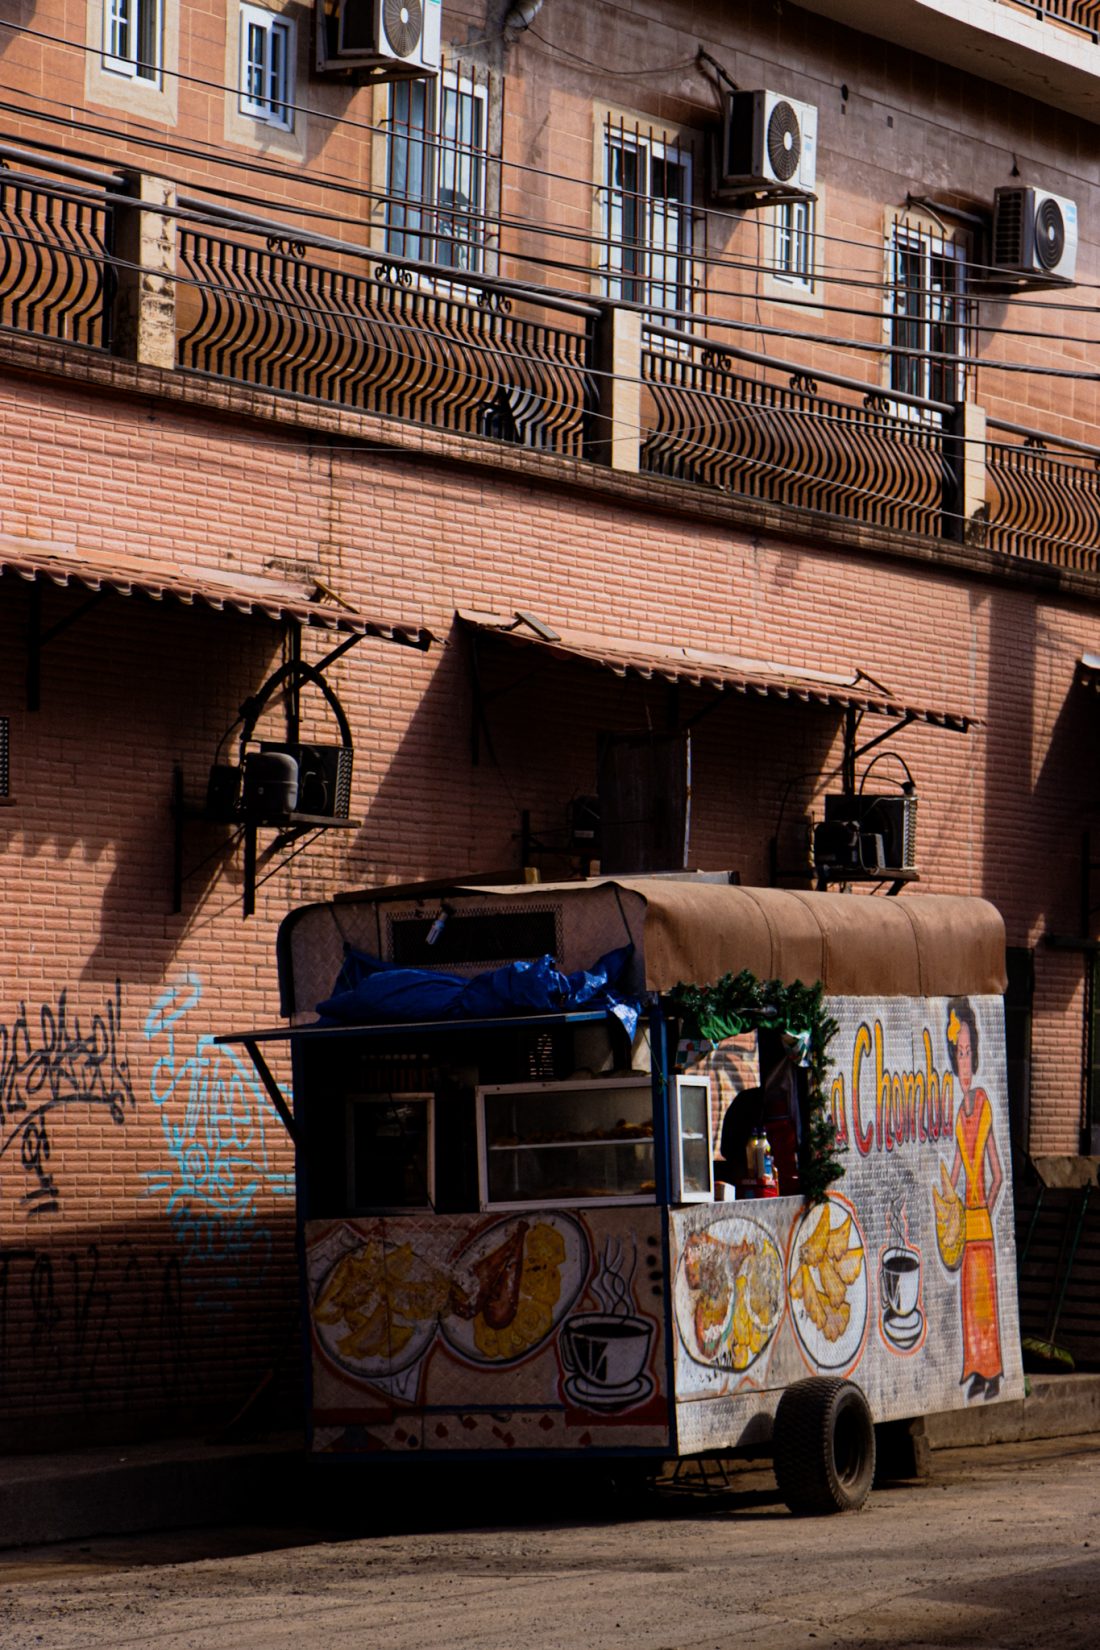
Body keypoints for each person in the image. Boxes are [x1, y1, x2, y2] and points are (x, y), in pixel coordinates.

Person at [945, 997, 1004, 1401]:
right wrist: (945, 1205)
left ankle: (993, 1371)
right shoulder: (957, 1114)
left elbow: (997, 1173)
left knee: (984, 1304)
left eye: (968, 1053)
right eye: (958, 1053)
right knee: (970, 1304)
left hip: (979, 1222)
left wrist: (984, 1209)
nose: (964, 1063)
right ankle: (977, 1368)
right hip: (966, 1225)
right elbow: (952, 1171)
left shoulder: (982, 1104)